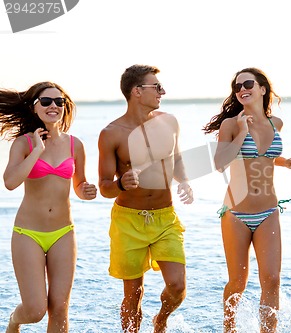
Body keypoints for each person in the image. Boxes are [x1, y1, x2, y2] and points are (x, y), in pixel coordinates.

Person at [203, 67, 291, 333]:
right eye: (237, 87)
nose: (242, 89)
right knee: (238, 282)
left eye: (247, 83)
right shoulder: (231, 124)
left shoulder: (275, 123)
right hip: (236, 214)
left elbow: (262, 156)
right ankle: (230, 330)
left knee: (272, 279)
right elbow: (221, 163)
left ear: (262, 89)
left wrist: (285, 162)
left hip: (269, 210)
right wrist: (242, 132)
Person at [98, 64, 193, 333]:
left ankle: (160, 320)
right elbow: (105, 187)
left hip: (165, 216)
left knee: (177, 286)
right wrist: (121, 184)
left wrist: (184, 180)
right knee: (133, 294)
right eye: (157, 87)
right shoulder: (112, 133)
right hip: (128, 221)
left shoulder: (169, 122)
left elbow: (176, 158)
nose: (163, 92)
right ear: (137, 91)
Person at [1, 81, 97, 333]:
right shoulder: (24, 144)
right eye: (46, 101)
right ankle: (14, 320)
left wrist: (87, 191)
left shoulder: (76, 145)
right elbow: (10, 182)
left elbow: (79, 185)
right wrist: (37, 151)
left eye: (59, 102)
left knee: (60, 309)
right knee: (35, 311)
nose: (53, 106)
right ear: (34, 108)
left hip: (63, 233)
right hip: (28, 234)